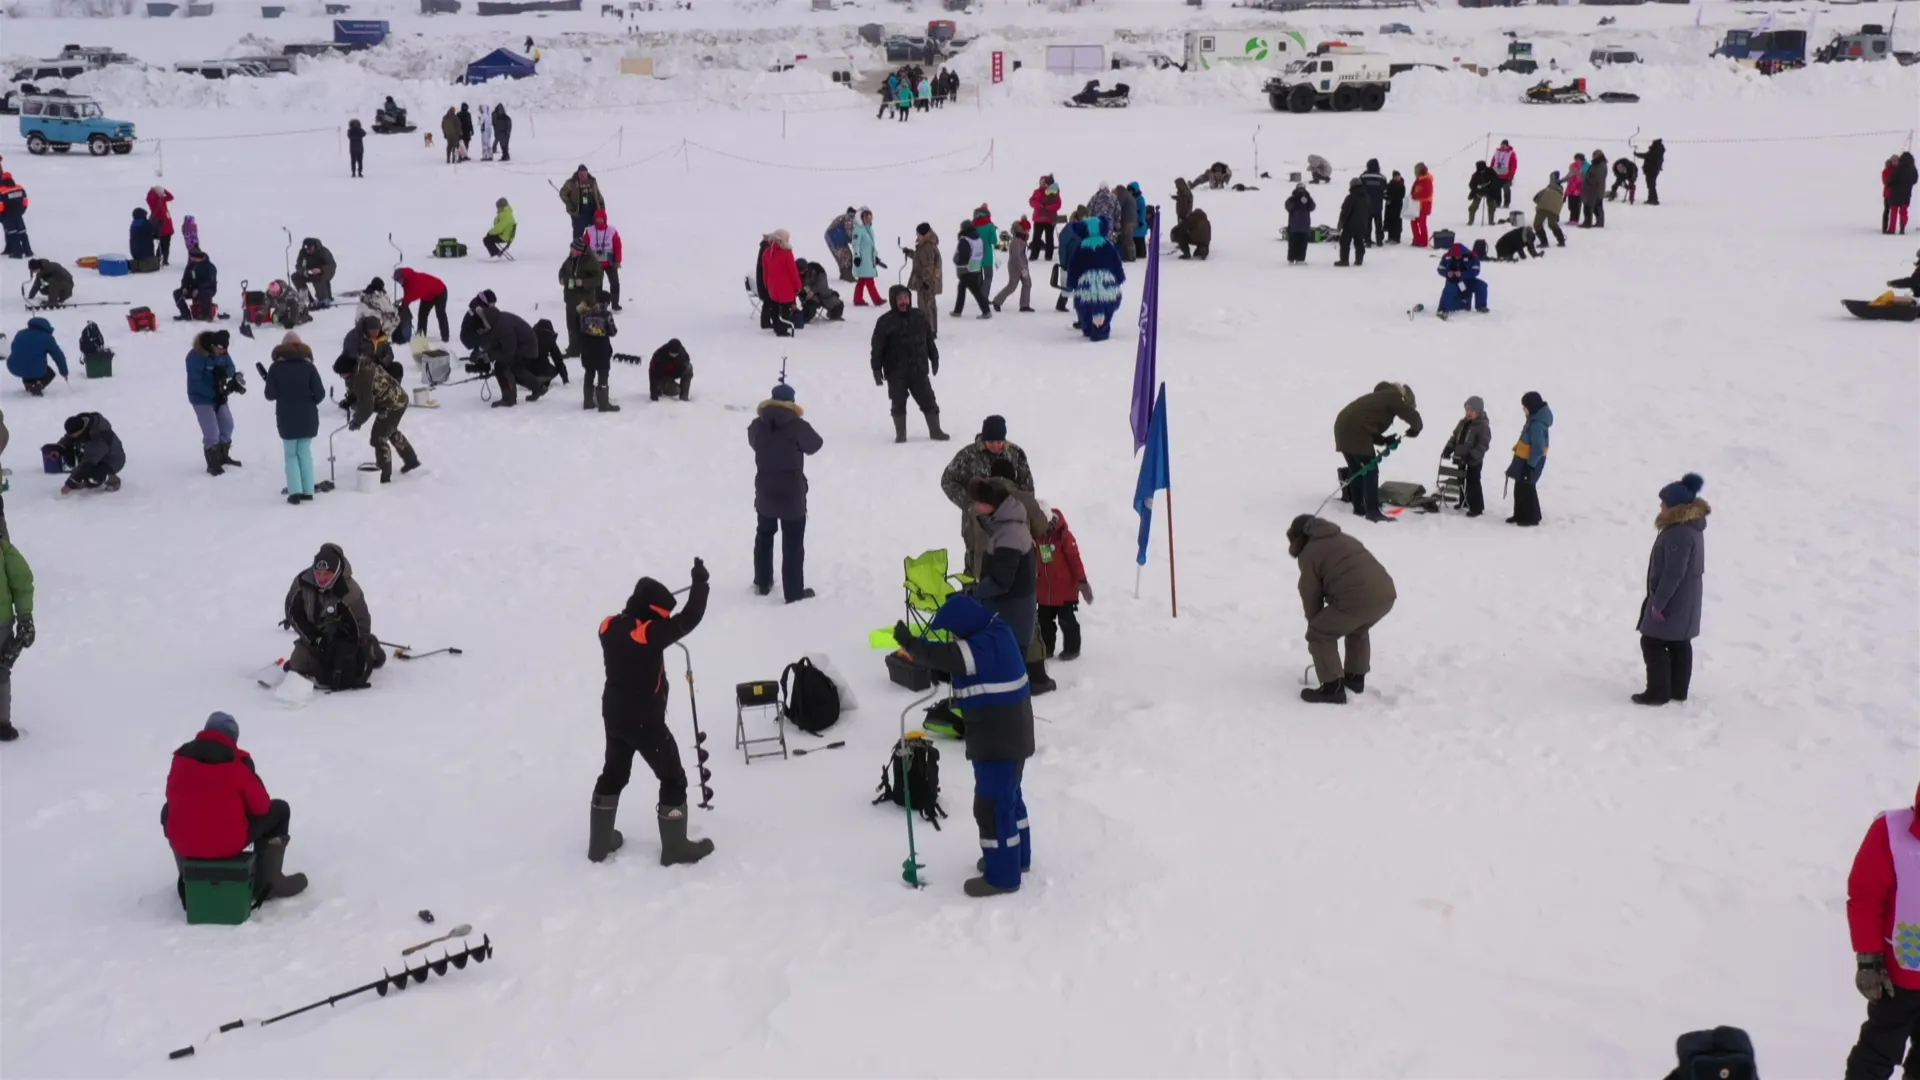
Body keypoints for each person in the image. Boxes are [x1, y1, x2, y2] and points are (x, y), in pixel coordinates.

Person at [891, 593, 1035, 897]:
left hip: (998, 740)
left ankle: (1002, 876)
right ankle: (1016, 858)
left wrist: (912, 644)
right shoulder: (997, 630)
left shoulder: (983, 645)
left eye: (955, 633)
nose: (954, 638)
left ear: (966, 626)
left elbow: (952, 657)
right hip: (1011, 736)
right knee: (1009, 798)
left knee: (992, 806)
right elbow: (961, 663)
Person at [591, 559, 714, 867]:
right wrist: (700, 585)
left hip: (614, 714)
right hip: (645, 720)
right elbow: (689, 618)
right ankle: (675, 849)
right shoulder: (645, 635)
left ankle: (600, 843)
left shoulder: (608, 626)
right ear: (651, 612)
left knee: (614, 773)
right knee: (673, 778)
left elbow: (644, 623)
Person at [161, 712, 308, 903]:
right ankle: (269, 882)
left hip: (186, 843)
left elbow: (173, 797)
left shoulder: (179, 760)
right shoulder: (237, 765)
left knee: (167, 811)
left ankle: (190, 878)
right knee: (280, 810)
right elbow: (262, 807)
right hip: (227, 844)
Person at [1845, 784, 1920, 1080]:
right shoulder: (1890, 831)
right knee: (1879, 1051)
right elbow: (1865, 897)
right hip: (1899, 976)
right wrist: (1868, 960)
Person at [1289, 515, 1397, 705]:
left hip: (1357, 598)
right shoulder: (1344, 539)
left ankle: (1332, 689)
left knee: (1320, 633)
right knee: (1358, 627)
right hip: (1385, 594)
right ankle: (1355, 679)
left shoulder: (1309, 552)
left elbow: (1310, 592)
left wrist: (1316, 626)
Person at [1633, 473, 1707, 705]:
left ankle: (1658, 692)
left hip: (1674, 601)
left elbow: (1673, 573)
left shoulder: (1679, 534)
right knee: (1679, 643)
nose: (1661, 507)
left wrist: (1658, 603)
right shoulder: (1691, 527)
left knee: (1652, 642)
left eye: (1664, 504)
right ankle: (1677, 689)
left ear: (1674, 507)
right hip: (1687, 601)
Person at [748, 383, 822, 604]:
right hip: (792, 492)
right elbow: (815, 444)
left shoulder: (756, 425)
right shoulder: (797, 426)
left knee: (764, 535)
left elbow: (753, 442)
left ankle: (762, 583)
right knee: (792, 543)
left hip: (765, 489)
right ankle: (793, 592)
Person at [284, 544, 384, 690]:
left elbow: (361, 627)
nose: (322, 578)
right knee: (299, 664)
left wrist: (346, 649)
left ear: (336, 572)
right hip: (315, 636)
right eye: (319, 573)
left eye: (327, 574)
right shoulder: (301, 583)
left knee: (350, 673)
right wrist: (314, 638)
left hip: (344, 640)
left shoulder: (350, 592)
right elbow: (293, 613)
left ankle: (372, 649)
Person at [1333, 382, 1422, 523]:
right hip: (1355, 431)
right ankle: (1373, 511)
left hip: (1342, 429)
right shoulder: (1393, 396)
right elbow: (1410, 415)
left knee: (1356, 469)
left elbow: (1365, 424)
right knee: (1370, 471)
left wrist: (1384, 440)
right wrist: (1416, 427)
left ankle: (1359, 506)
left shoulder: (1378, 399)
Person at [871, 285, 948, 443]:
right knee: (898, 403)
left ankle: (935, 430)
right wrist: (876, 370)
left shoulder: (919, 316)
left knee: (929, 400)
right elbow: (877, 348)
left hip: (918, 370)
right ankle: (901, 433)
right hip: (896, 372)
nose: (903, 302)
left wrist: (934, 357)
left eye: (906, 298)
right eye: (900, 299)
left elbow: (928, 340)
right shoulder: (885, 322)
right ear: (893, 300)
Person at [941, 415, 1033, 544]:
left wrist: (1017, 506)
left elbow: (1027, 486)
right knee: (977, 559)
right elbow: (947, 480)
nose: (995, 446)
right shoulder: (967, 455)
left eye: (999, 442)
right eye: (991, 442)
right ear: (984, 439)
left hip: (1009, 520)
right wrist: (969, 503)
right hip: (977, 523)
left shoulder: (1015, 454)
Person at [345, 326, 421, 482]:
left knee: (378, 438)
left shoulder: (362, 376)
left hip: (393, 404)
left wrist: (356, 421)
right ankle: (411, 460)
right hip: (395, 399)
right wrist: (352, 398)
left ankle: (384, 475)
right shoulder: (361, 367)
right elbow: (364, 391)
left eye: (342, 374)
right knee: (389, 430)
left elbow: (367, 406)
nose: (341, 377)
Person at [259, 332, 325, 505]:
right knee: (304, 452)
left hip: (287, 418)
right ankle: (308, 490)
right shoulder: (309, 367)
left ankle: (295, 492)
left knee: (290, 455)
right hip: (308, 417)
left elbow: (270, 395)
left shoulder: (276, 368)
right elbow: (320, 395)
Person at [1035, 507, 1091, 662]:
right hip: (1044, 590)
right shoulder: (1037, 536)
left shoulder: (1064, 536)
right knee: (1044, 621)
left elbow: (1075, 560)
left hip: (1064, 589)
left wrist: (1082, 581)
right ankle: (1046, 649)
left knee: (1066, 620)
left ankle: (1072, 649)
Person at [185, 330, 243, 477]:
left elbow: (231, 368)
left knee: (227, 424)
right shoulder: (195, 356)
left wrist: (224, 373)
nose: (221, 352)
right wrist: (214, 393)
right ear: (211, 345)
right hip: (201, 398)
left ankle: (222, 456)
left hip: (218, 395)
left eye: (224, 349)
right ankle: (212, 463)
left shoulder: (223, 352)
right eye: (219, 349)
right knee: (212, 431)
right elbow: (195, 382)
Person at [476, 300, 549, 408]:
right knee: (517, 368)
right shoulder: (499, 320)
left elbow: (508, 352)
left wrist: (491, 355)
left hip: (526, 347)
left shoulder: (503, 325)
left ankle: (509, 398)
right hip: (525, 345)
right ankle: (538, 388)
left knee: (503, 366)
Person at [1067, 216, 1124, 340]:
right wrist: (1119, 278)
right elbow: (1116, 263)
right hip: (1107, 284)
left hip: (1086, 286)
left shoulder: (1080, 247)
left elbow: (1074, 266)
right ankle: (1102, 328)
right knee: (1107, 305)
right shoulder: (1108, 245)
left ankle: (1088, 327)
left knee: (1085, 308)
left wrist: (1071, 282)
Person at [0, 534, 32, 741]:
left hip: (1, 624)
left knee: (1, 672)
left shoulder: (5, 552)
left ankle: (2, 722)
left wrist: (25, 616)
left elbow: (22, 584)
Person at [1505, 390, 1551, 527]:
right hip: (1524, 459)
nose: (1523, 409)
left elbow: (1538, 448)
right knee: (1519, 486)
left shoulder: (1537, 425)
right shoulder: (1532, 420)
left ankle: (1531, 517)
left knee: (1527, 487)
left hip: (1531, 462)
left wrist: (1531, 465)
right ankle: (1519, 514)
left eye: (1525, 406)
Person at [1440, 396, 1491, 517]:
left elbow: (1483, 445)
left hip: (1474, 460)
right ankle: (1464, 501)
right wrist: (1448, 449)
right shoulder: (1462, 423)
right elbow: (1454, 437)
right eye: (1467, 410)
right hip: (1460, 458)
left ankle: (1476, 507)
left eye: (1472, 410)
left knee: (1473, 481)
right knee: (1461, 480)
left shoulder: (1482, 426)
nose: (1468, 413)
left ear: (1479, 411)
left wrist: (1472, 455)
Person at [55, 412, 123, 493]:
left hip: (111, 459)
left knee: (94, 477)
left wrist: (70, 484)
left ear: (81, 431)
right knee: (85, 475)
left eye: (74, 435)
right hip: (92, 455)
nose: (71, 436)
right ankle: (84, 477)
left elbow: (88, 461)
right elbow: (68, 438)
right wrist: (58, 449)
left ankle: (112, 479)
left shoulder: (99, 436)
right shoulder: (80, 425)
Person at [576, 300, 620, 413]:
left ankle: (588, 402)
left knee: (589, 374)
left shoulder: (583, 315)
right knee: (603, 375)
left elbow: (578, 331)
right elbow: (613, 332)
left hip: (587, 350)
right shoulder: (606, 315)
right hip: (602, 350)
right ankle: (603, 403)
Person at [902, 222, 943, 338]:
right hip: (926, 282)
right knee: (927, 305)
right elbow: (920, 258)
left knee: (926, 307)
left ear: (923, 234)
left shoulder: (928, 246)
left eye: (918, 233)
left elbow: (928, 266)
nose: (917, 235)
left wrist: (926, 282)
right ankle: (930, 330)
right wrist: (910, 253)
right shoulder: (926, 245)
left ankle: (929, 331)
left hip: (926, 283)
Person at [6, 317, 66, 395]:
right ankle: (37, 385)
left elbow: (13, 347)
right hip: (34, 368)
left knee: (29, 365)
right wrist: (64, 372)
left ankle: (28, 383)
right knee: (50, 373)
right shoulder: (47, 338)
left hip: (13, 367)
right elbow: (58, 356)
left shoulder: (20, 333)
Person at [760, 230, 801, 338]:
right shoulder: (787, 253)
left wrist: (767, 285)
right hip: (786, 288)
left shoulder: (767, 252)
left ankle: (776, 326)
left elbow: (765, 271)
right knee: (785, 310)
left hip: (772, 288)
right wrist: (798, 286)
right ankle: (782, 330)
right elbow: (793, 272)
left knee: (774, 307)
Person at [582, 208, 623, 311]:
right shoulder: (589, 231)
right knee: (597, 285)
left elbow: (618, 246)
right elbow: (584, 246)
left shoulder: (612, 231)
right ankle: (598, 304)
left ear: (605, 219)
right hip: (595, 264)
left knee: (614, 283)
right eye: (597, 219)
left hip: (610, 263)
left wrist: (618, 261)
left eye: (601, 219)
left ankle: (615, 304)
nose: (599, 221)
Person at [394, 267, 449, 342]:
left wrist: (403, 304)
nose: (399, 282)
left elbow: (411, 295)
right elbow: (408, 293)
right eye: (397, 281)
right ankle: (421, 337)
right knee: (422, 315)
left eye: (399, 280)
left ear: (403, 277)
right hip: (427, 295)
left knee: (440, 313)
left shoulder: (415, 282)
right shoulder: (407, 279)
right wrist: (402, 300)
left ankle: (445, 337)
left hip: (440, 291)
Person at [1436, 242, 1488, 318]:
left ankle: (1481, 307)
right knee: (1449, 290)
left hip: (1468, 281)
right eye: (1454, 255)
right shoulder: (1446, 256)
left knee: (1482, 285)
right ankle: (1443, 311)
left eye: (1458, 255)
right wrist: (1447, 273)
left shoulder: (1473, 257)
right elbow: (1440, 269)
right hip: (1453, 281)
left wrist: (1463, 274)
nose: (1456, 257)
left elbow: (1475, 271)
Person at [951, 220, 990, 319]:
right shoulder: (978, 239)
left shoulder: (964, 240)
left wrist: (956, 261)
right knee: (961, 288)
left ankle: (986, 311)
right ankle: (957, 311)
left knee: (976, 292)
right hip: (976, 268)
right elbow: (984, 252)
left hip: (966, 270)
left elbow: (963, 256)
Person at [993, 218, 1034, 311]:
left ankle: (1024, 305)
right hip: (1016, 266)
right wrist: (1022, 269)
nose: (1029, 231)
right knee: (1012, 286)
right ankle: (997, 301)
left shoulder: (1022, 238)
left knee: (1027, 284)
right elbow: (1016, 257)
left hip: (1023, 265)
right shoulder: (1016, 241)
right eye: (1027, 229)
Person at [559, 165, 606, 238]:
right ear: (578, 173)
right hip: (578, 213)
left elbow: (598, 196)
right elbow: (563, 193)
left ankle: (591, 249)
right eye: (581, 173)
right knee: (577, 236)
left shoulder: (592, 181)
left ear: (587, 173)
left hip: (592, 213)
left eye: (584, 173)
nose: (583, 175)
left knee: (594, 235)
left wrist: (602, 210)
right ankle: (577, 249)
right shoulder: (572, 182)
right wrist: (570, 205)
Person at [174, 248, 218, 321]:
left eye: (192, 258)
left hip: (207, 289)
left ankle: (206, 315)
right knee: (177, 293)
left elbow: (211, 282)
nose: (191, 259)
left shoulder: (210, 267)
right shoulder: (191, 265)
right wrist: (184, 287)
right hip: (192, 288)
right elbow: (185, 278)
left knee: (206, 293)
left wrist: (199, 289)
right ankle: (185, 314)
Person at [1336, 178, 1371, 267]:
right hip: (1362, 224)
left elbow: (1345, 212)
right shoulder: (1367, 197)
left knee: (1345, 242)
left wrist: (1340, 223)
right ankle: (1359, 260)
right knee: (1359, 241)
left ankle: (1344, 260)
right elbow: (1369, 210)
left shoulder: (1350, 197)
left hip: (1350, 224)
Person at [852, 207, 882, 307]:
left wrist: (875, 257)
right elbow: (855, 244)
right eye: (867, 217)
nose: (869, 219)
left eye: (870, 217)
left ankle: (858, 299)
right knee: (869, 281)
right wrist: (857, 256)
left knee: (862, 281)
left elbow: (871, 246)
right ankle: (877, 300)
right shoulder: (858, 230)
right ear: (862, 218)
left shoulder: (869, 229)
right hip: (863, 261)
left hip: (869, 260)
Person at [797, 259, 844, 324]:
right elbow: (804, 286)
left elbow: (822, 284)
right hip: (810, 297)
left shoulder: (817, 270)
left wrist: (812, 291)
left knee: (839, 306)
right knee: (810, 307)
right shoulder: (798, 275)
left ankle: (832, 315)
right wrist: (809, 293)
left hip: (824, 294)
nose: (803, 272)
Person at [293, 238, 336, 308]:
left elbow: (332, 265)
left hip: (325, 272)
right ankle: (306, 299)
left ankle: (323, 299)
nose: (308, 251)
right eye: (306, 249)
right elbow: (299, 265)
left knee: (316, 277)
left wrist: (320, 269)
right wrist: (304, 271)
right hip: (309, 272)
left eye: (310, 249)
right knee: (295, 277)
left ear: (314, 246)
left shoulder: (323, 251)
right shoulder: (303, 252)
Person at [1028, 176, 1061, 261]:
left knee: (1049, 237)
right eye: (1040, 181)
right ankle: (1034, 256)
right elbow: (1031, 201)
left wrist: (1047, 207)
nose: (1041, 183)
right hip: (1038, 219)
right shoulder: (1036, 191)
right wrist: (1039, 205)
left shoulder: (1053, 192)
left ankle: (1049, 256)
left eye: (1043, 181)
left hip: (1049, 219)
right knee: (1036, 238)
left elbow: (1058, 205)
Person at [0, 172, 31, 258]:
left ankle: (17, 253)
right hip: (18, 214)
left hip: (8, 215)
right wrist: (22, 211)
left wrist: (1, 216)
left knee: (12, 233)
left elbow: (1, 206)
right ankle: (28, 251)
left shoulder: (2, 191)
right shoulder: (20, 188)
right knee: (22, 232)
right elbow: (25, 201)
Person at [1533, 174, 1567, 249]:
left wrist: (1539, 203)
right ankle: (1561, 241)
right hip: (1554, 210)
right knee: (1552, 224)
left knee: (1537, 224)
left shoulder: (1546, 189)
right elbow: (1560, 203)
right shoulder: (1560, 192)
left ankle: (1544, 242)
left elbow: (1535, 198)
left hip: (1543, 207)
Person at [1357, 159, 1387, 245]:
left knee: (1367, 223)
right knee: (1378, 223)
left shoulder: (1363, 177)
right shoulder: (1382, 177)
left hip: (1366, 204)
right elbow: (1385, 190)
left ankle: (1367, 240)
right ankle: (1379, 240)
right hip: (1378, 204)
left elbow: (1359, 189)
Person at [1284, 183, 1315, 264]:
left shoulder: (1292, 198)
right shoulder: (1307, 198)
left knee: (1292, 244)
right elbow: (1312, 207)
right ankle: (1300, 259)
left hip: (1294, 226)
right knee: (1302, 244)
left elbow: (1287, 206)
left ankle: (1291, 258)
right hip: (1304, 226)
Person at [1889, 151, 1918, 236]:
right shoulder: (1913, 169)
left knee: (1894, 212)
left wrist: (1890, 184)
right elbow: (1915, 180)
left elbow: (1893, 179)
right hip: (1906, 193)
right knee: (1904, 212)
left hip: (1895, 193)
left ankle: (1892, 229)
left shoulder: (1899, 167)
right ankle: (1902, 228)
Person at [973, 206, 1000, 294]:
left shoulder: (972, 225)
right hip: (986, 255)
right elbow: (994, 241)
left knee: (978, 277)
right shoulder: (990, 226)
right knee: (988, 276)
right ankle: (983, 297)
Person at [825, 208, 857, 282]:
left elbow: (849, 233)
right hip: (835, 238)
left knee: (846, 256)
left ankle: (845, 276)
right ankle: (847, 277)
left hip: (836, 238)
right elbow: (850, 233)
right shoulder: (850, 217)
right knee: (846, 258)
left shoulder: (846, 217)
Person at [1467, 161, 1502, 226]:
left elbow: (1496, 182)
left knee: (1491, 207)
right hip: (1479, 192)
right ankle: (1470, 221)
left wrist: (1490, 187)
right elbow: (1471, 184)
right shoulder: (1475, 175)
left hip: (1490, 192)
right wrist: (1477, 187)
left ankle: (1491, 221)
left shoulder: (1491, 172)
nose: (1480, 170)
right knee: (1472, 208)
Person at [1632, 138, 1664, 206]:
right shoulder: (1658, 150)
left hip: (1651, 170)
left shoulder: (1655, 150)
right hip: (1653, 170)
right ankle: (1651, 198)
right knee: (1651, 185)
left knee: (1651, 185)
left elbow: (1647, 156)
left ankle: (1653, 199)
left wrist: (1636, 154)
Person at [1582, 150, 1609, 228]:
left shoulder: (1600, 164)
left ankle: (1595, 222)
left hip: (1595, 189)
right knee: (1595, 205)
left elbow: (1598, 177)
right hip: (1593, 189)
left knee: (1595, 206)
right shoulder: (1596, 163)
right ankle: (1597, 222)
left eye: (1595, 155)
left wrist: (1589, 181)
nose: (1594, 156)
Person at [1409, 162, 1433, 248]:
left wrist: (1415, 196)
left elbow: (1427, 192)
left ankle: (1423, 241)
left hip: (1424, 205)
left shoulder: (1426, 180)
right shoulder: (1419, 179)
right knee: (1414, 222)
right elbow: (1414, 190)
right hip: (1417, 204)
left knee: (1421, 223)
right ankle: (1417, 239)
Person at [1491, 139, 1518, 208]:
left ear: (1507, 145)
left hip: (1506, 176)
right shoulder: (1497, 152)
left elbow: (1513, 165)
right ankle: (1497, 202)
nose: (1502, 146)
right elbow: (1493, 162)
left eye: (1504, 145)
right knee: (1496, 190)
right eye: (1501, 145)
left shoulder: (1511, 153)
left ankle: (1507, 203)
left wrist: (1511, 175)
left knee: (1506, 189)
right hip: (1496, 174)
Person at [1127, 182, 1149, 259]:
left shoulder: (1140, 199)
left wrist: (1140, 221)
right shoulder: (1131, 198)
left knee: (1140, 240)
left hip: (1139, 223)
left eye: (1131, 190)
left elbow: (1143, 211)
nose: (1129, 192)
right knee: (1134, 239)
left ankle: (1141, 254)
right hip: (1133, 223)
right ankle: (1136, 253)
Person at [1383, 170, 1406, 245]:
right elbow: (1385, 193)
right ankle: (1390, 237)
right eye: (1396, 176)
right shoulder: (1389, 184)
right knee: (1390, 221)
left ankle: (1397, 238)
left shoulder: (1402, 185)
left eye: (1398, 176)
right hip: (1390, 206)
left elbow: (1401, 195)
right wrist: (1387, 198)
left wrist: (1391, 198)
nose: (1397, 178)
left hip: (1398, 205)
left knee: (1397, 221)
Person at [1565, 153, 1587, 225]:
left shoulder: (1582, 169)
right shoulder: (1573, 170)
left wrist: (1578, 189)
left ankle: (1574, 220)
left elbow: (1580, 182)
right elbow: (1568, 177)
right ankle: (1572, 219)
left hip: (1576, 191)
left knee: (1575, 206)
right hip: (1571, 190)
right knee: (1571, 205)